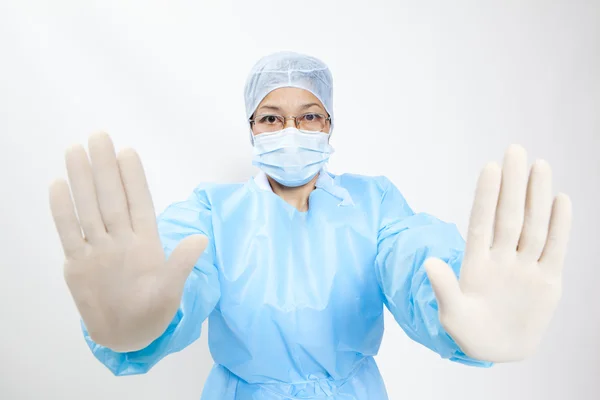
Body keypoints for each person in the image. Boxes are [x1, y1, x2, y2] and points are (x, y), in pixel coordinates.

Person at [49, 51, 573, 399]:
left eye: (310, 115)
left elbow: (415, 258)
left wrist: (460, 299)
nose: (291, 129)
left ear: (330, 125)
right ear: (252, 130)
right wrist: (137, 325)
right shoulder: (213, 211)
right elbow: (170, 268)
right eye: (272, 117)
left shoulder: (374, 204)